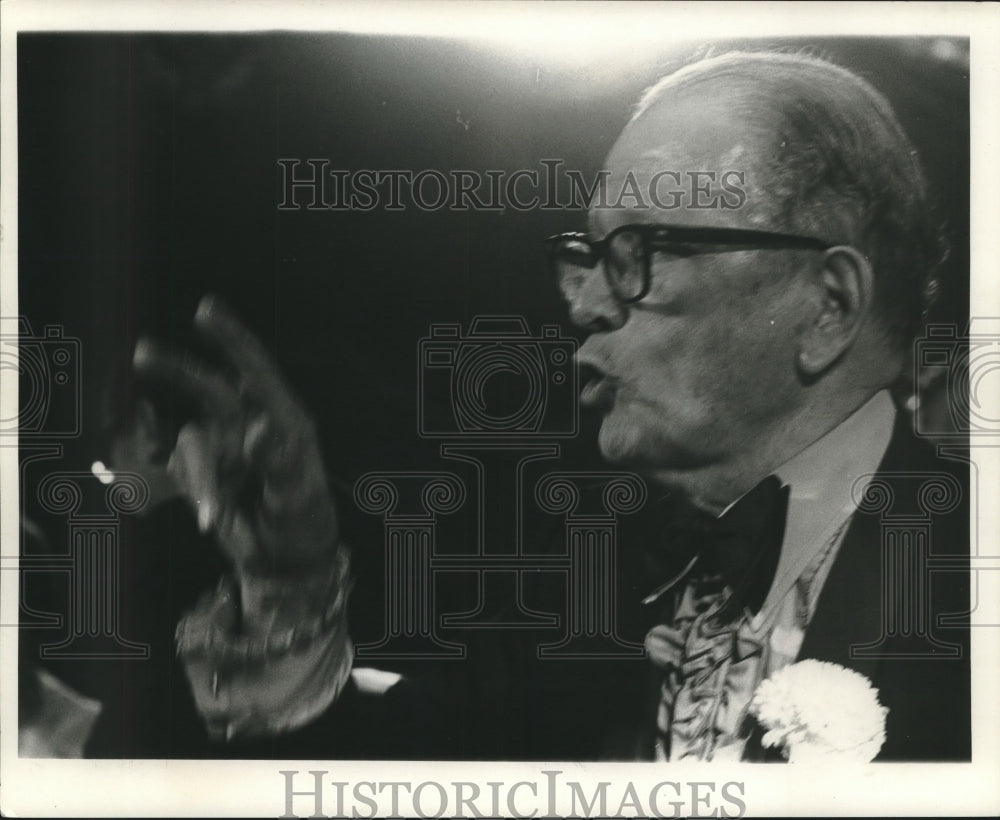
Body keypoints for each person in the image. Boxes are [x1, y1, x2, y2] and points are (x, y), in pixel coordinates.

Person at [133, 51, 969, 761]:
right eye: (588, 254)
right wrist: (291, 583)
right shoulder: (571, 565)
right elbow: (388, 777)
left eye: (642, 250)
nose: (587, 305)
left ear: (827, 306)